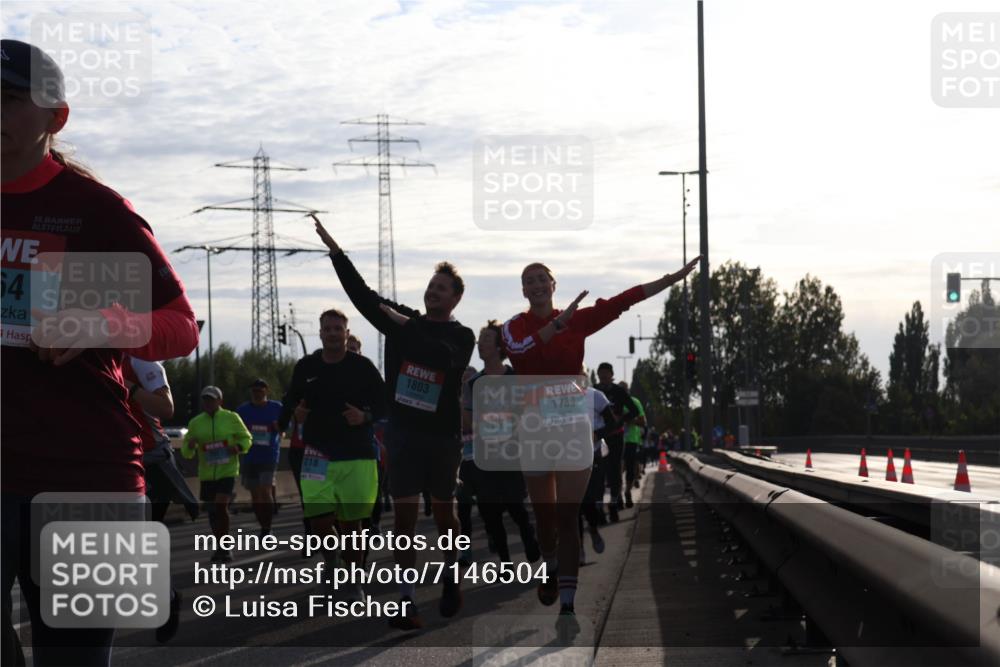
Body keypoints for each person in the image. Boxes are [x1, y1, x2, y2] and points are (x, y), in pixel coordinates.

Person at [1, 40, 199, 667]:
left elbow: (181, 327)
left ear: (55, 118)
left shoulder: (93, 213)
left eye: (8, 100)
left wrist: (101, 322)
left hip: (90, 478)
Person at [501, 257, 698, 634]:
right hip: (535, 431)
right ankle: (550, 564)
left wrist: (671, 279)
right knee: (545, 522)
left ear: (553, 284)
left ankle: (568, 607)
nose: (537, 284)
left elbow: (622, 301)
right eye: (530, 281)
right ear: (524, 291)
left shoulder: (577, 320)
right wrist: (556, 325)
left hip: (573, 427)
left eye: (543, 278)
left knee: (567, 514)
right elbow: (521, 353)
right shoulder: (515, 326)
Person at [313, 215, 475, 630]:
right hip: (404, 434)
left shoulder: (462, 336)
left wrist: (409, 326)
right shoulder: (404, 321)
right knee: (402, 522)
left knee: (444, 517)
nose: (431, 292)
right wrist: (336, 253)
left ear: (455, 298)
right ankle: (406, 602)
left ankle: (452, 573)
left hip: (443, 437)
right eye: (430, 286)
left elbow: (442, 358)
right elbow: (364, 298)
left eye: (441, 288)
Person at [280, 309, 385, 600]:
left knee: (352, 525)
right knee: (319, 522)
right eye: (328, 328)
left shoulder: (362, 366)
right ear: (320, 332)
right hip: (317, 454)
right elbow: (291, 398)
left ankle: (354, 582)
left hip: (356, 454)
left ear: (347, 332)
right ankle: (331, 561)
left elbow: (384, 402)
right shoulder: (306, 366)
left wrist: (365, 416)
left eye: (338, 328)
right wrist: (294, 413)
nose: (333, 333)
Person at [124, 356, 198, 643]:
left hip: (151, 461)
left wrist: (128, 387)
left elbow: (166, 408)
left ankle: (165, 597)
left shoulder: (141, 360)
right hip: (109, 459)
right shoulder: (78, 355)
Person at [462, 322, 541, 565]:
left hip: (513, 454)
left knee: (516, 507)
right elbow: (467, 422)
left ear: (499, 346)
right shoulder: (473, 383)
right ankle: (505, 562)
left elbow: (532, 412)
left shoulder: (516, 377)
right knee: (490, 514)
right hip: (484, 455)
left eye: (486, 338)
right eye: (480, 338)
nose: (480, 343)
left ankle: (530, 540)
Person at [181, 386, 252, 563]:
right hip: (206, 474)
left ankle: (226, 547)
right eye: (205, 399)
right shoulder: (196, 422)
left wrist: (238, 447)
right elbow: (186, 451)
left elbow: (246, 438)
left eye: (212, 399)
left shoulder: (231, 417)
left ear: (220, 401)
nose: (208, 403)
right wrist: (190, 446)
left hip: (227, 471)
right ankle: (220, 546)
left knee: (220, 506)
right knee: (213, 512)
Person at [591, 365, 638, 522]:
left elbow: (634, 411)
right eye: (600, 374)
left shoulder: (619, 391)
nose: (603, 376)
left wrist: (621, 419)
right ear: (597, 375)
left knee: (614, 472)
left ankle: (613, 505)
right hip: (599, 437)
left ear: (612, 375)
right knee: (598, 473)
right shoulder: (594, 391)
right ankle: (598, 510)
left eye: (606, 374)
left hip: (616, 436)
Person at [236, 379, 282, 538]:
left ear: (266, 391)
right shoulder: (242, 410)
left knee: (266, 490)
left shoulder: (276, 407)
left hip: (269, 455)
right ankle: (263, 526)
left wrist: (279, 427)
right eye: (254, 391)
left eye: (260, 390)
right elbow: (236, 430)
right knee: (255, 496)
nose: (257, 393)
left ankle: (268, 527)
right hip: (250, 456)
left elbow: (285, 428)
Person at [619, 381, 646, 506]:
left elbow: (643, 422)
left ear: (628, 391)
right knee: (617, 469)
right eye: (620, 390)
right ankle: (618, 494)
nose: (623, 392)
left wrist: (630, 420)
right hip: (616, 440)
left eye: (624, 390)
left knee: (630, 468)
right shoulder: (612, 403)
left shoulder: (634, 402)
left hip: (631, 440)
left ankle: (627, 492)